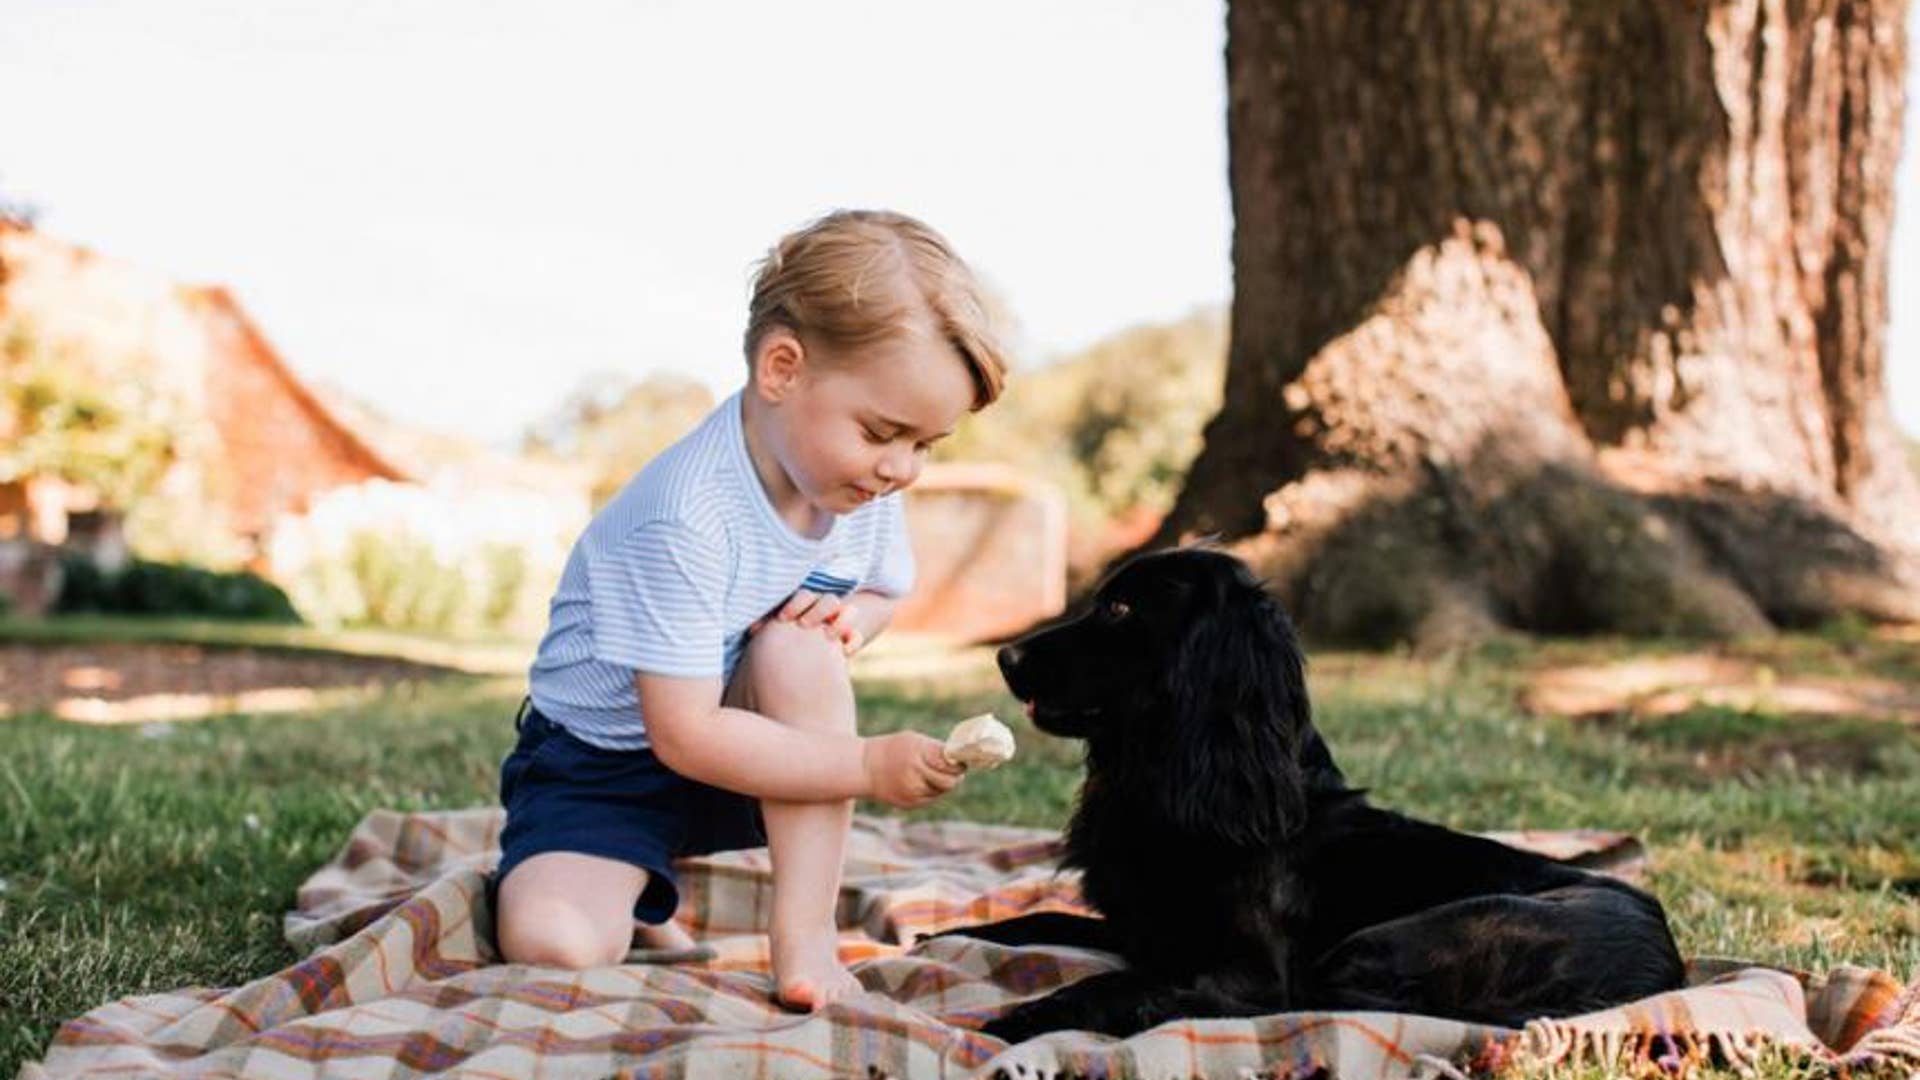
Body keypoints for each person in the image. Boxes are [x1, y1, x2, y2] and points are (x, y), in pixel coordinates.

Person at [492, 209, 1009, 1011]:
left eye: (924, 445)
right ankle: (624, 881)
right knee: (554, 946)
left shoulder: (857, 486)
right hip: (605, 764)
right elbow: (683, 733)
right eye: (883, 432)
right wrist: (867, 765)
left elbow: (880, 591)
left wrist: (849, 623)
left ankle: (804, 940)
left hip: (748, 742)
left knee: (799, 651)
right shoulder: (685, 516)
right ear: (781, 369)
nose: (902, 469)